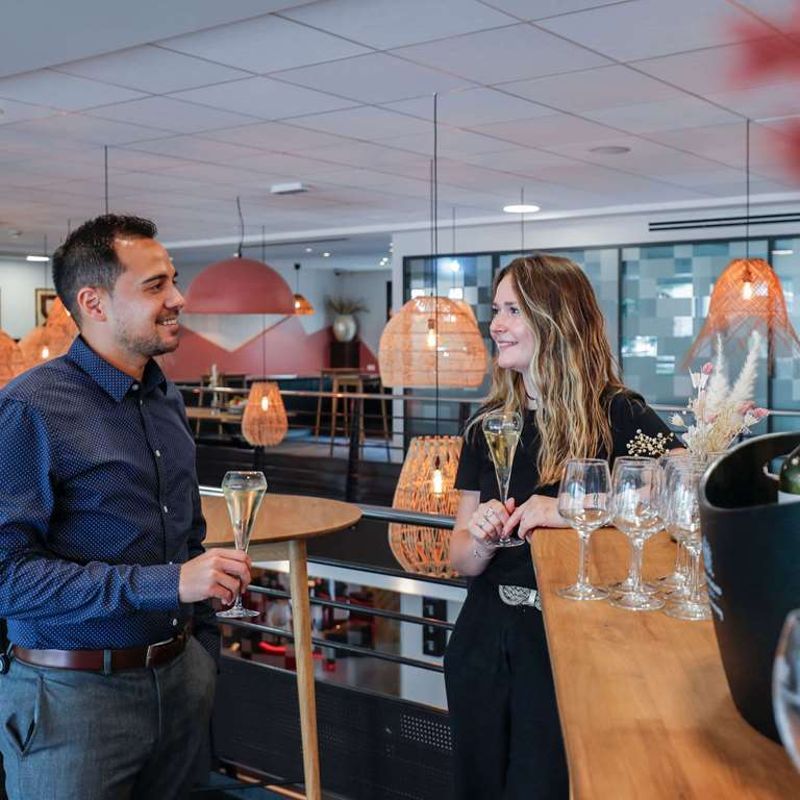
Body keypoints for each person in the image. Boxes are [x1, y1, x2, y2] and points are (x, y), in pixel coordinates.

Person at [0, 214, 252, 800]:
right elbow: (7, 578)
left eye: (174, 280)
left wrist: (202, 653)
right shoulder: (29, 408)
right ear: (94, 302)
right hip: (71, 702)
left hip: (181, 683)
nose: (178, 298)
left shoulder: (166, 398)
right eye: (155, 285)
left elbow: (187, 536)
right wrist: (170, 584)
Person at [446, 254, 677, 799]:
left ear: (557, 318)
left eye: (513, 310)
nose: (496, 324)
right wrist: (481, 537)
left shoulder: (619, 413)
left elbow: (683, 489)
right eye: (496, 310)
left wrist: (570, 507)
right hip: (483, 638)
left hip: (568, 642)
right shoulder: (486, 425)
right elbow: (459, 560)